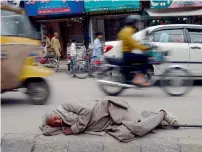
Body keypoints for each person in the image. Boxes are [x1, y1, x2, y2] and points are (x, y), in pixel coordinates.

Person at [40, 97, 179, 142]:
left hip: (110, 109)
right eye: (55, 124)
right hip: (108, 124)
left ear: (56, 113)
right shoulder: (58, 124)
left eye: (56, 119)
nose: (58, 123)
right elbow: (46, 130)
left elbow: (87, 111)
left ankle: (162, 114)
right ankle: (150, 117)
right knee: (127, 135)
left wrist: (74, 129)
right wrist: (51, 124)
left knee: (139, 128)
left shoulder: (65, 106)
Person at [118, 15, 151, 86]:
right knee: (145, 58)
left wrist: (142, 45)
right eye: (136, 23)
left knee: (140, 58)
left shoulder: (127, 30)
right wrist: (144, 48)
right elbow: (133, 43)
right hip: (127, 54)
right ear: (132, 23)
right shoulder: (127, 31)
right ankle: (138, 78)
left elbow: (133, 42)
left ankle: (135, 76)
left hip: (127, 53)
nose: (137, 24)